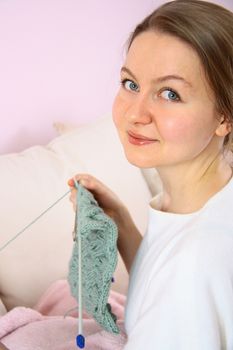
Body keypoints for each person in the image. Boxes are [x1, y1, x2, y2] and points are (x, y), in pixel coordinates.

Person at [68, 0, 233, 348]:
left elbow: (182, 282)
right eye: (130, 84)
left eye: (169, 93)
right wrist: (124, 228)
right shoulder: (204, 203)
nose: (136, 113)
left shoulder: (196, 260)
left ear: (225, 117)